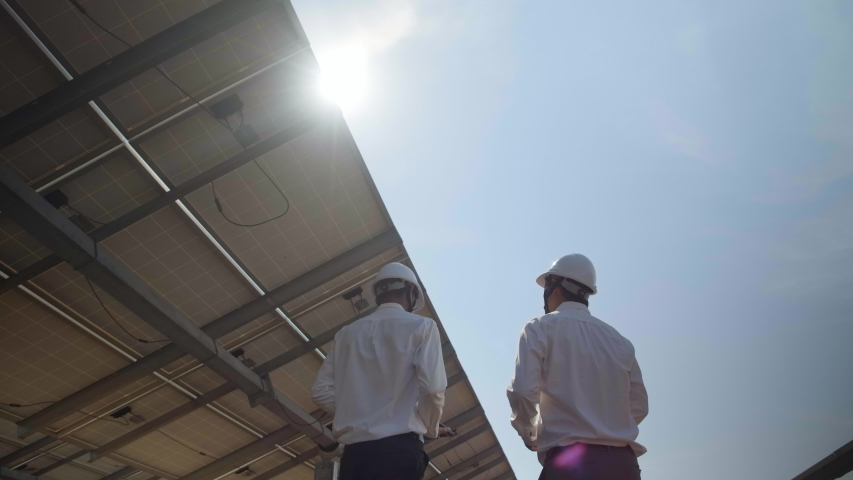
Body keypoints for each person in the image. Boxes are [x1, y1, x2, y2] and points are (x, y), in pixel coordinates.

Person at [507, 254, 649, 480]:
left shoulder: (539, 328)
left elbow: (524, 391)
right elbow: (639, 406)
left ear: (555, 287)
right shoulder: (621, 342)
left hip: (569, 465)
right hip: (624, 466)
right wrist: (608, 427)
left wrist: (530, 435)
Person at [312, 262, 450, 480]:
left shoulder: (346, 334)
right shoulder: (423, 326)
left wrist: (361, 413)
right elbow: (432, 389)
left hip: (354, 457)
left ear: (377, 293)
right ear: (412, 292)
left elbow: (321, 391)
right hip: (398, 453)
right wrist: (428, 427)